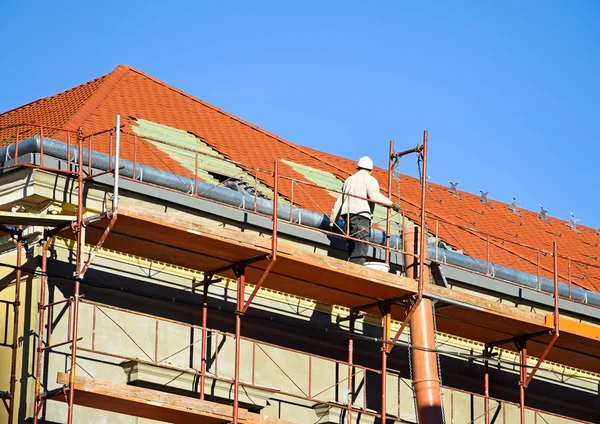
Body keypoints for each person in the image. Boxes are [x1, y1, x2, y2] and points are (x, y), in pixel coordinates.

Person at [330, 156, 400, 265]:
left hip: (347, 219)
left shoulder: (349, 180)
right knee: (361, 249)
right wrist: (391, 204)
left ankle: (351, 268)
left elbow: (339, 202)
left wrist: (333, 222)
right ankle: (355, 273)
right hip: (361, 217)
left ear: (358, 167)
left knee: (353, 248)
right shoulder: (370, 179)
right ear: (371, 170)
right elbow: (374, 196)